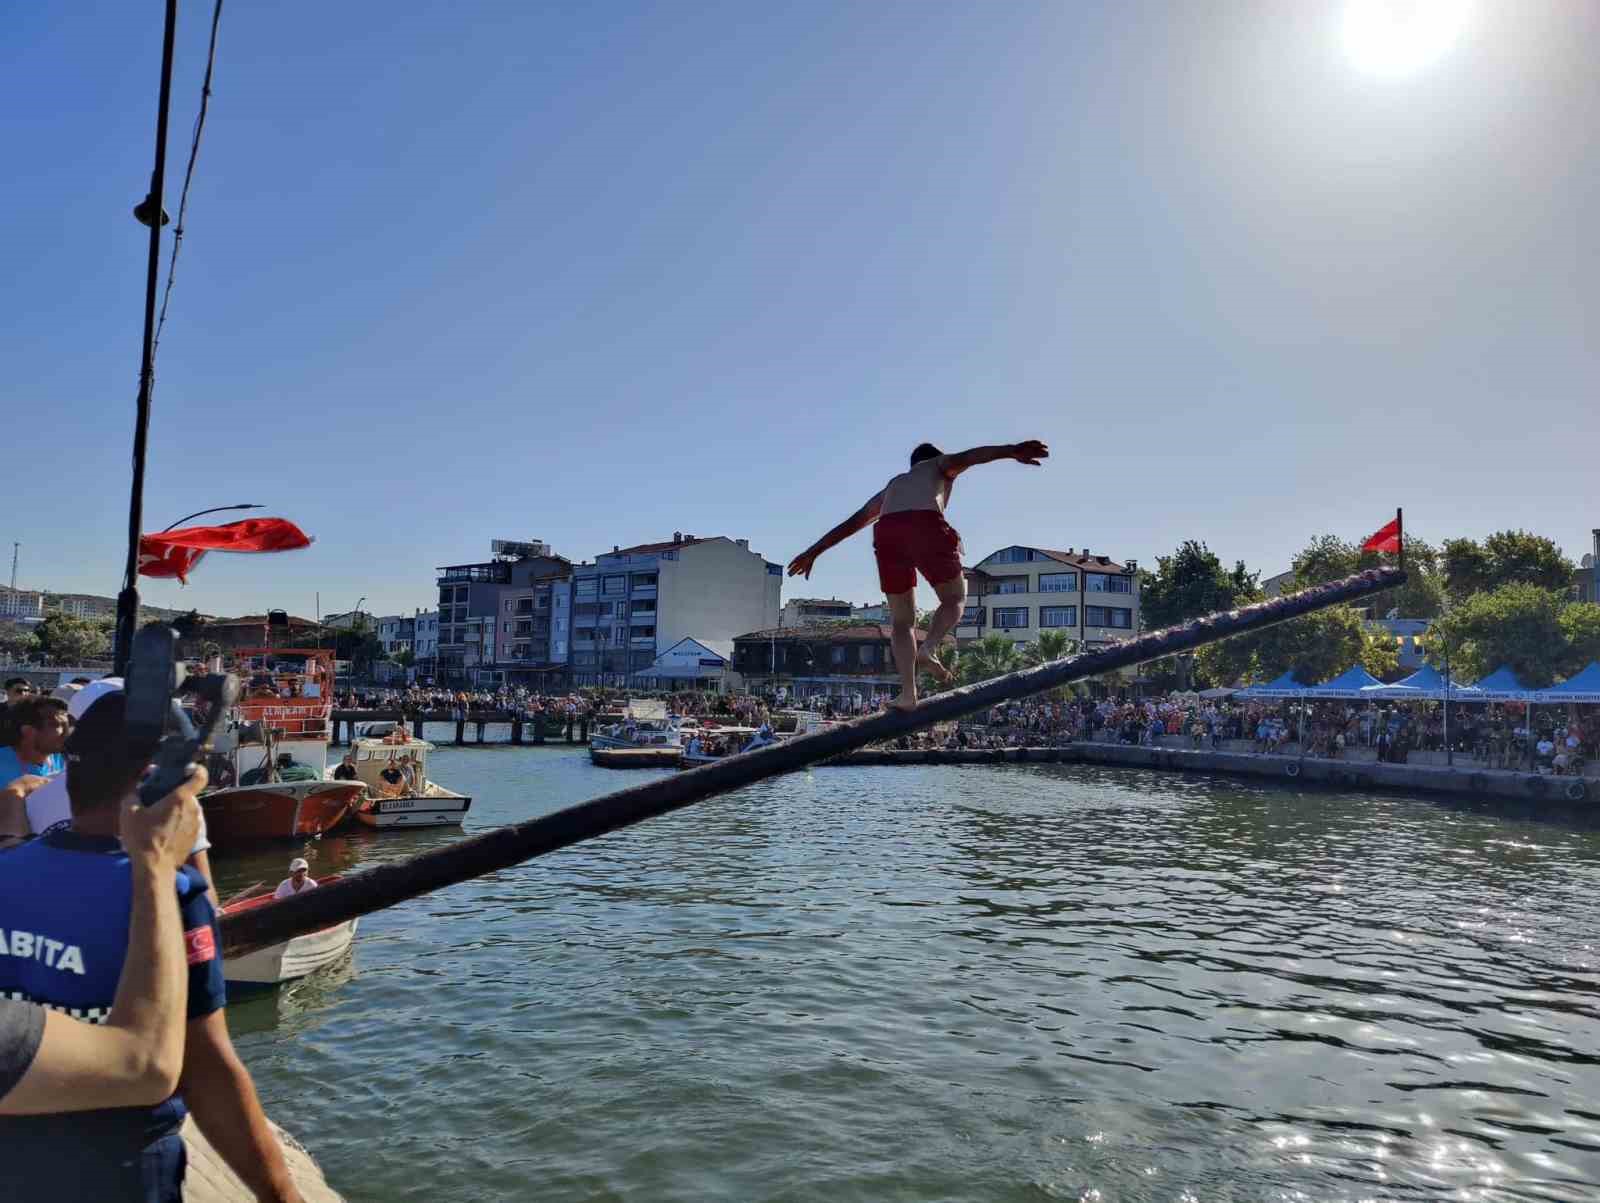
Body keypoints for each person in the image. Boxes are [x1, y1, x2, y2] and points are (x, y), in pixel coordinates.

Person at [0, 691, 304, 1202]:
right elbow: (205, 1069)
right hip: (121, 1176)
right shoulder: (167, 899)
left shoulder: (7, 870)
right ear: (158, 786)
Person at [1, 763, 204, 1116]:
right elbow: (145, 1068)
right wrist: (156, 866)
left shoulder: (13, 867)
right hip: (119, 1154)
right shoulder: (179, 890)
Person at [787, 439, 1049, 709]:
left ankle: (908, 695)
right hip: (924, 524)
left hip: (887, 532)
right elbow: (972, 456)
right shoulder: (938, 464)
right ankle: (929, 648)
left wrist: (814, 551)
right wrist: (1011, 451)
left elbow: (854, 522)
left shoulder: (892, 487)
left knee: (902, 622)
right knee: (955, 598)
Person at [0, 693, 70, 786]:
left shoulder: (63, 762)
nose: (65, 732)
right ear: (27, 730)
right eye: (57, 725)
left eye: (66, 726)